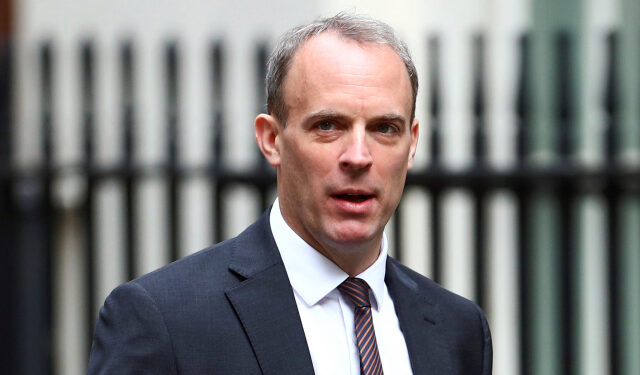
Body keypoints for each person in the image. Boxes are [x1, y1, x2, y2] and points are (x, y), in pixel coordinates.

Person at [88, 12, 492, 375]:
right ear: (271, 139)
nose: (358, 156)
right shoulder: (165, 320)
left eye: (384, 128)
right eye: (328, 125)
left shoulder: (458, 330)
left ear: (412, 142)